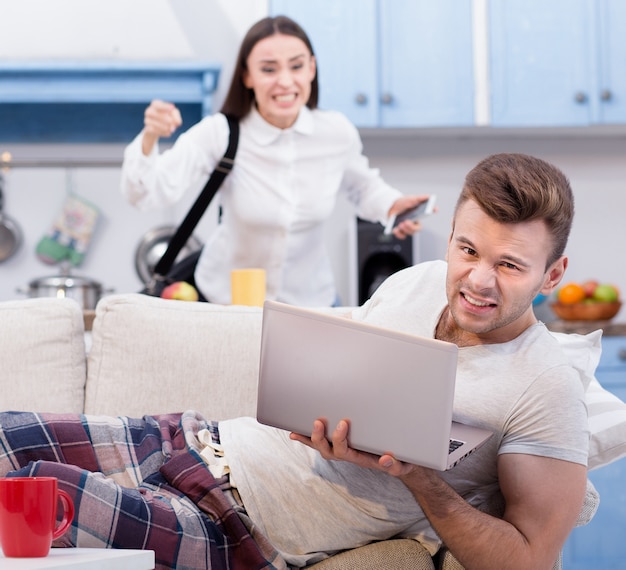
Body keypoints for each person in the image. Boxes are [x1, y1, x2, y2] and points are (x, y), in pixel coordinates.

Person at [1, 153, 587, 570]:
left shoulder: (543, 388)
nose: (477, 280)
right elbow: (345, 366)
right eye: (467, 250)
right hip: (198, 440)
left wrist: (419, 480)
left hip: (236, 527)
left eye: (509, 265)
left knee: (34, 493)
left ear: (552, 275)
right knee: (7, 435)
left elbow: (530, 560)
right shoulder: (417, 283)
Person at [121, 15, 428, 306]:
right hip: (227, 304)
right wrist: (150, 137)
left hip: (311, 305)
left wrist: (393, 206)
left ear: (311, 69)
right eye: (268, 69)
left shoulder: (335, 132)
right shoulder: (220, 133)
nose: (285, 81)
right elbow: (147, 193)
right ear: (247, 76)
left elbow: (364, 188)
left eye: (296, 66)